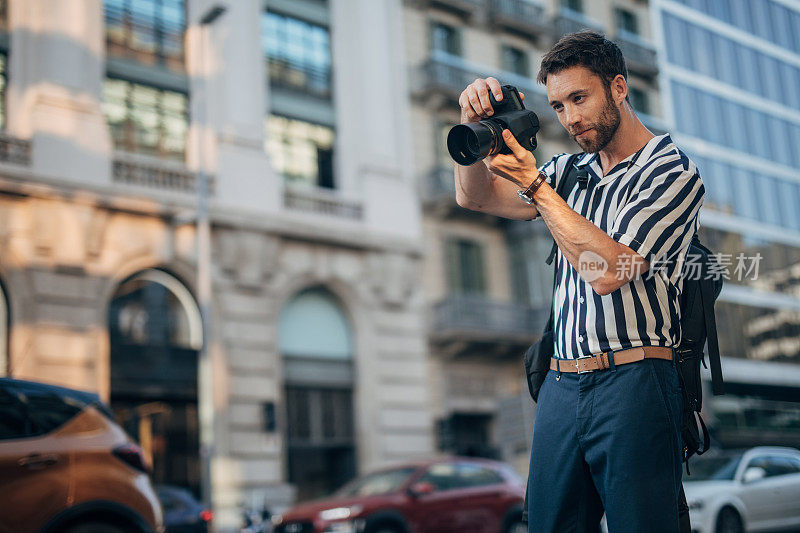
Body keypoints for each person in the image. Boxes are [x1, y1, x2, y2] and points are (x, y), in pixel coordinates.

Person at [454, 31, 704, 533]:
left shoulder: (672, 172)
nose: (569, 119)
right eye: (558, 106)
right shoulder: (567, 172)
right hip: (561, 384)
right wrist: (470, 125)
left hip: (636, 380)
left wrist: (534, 185)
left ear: (618, 87)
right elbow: (475, 199)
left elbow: (610, 271)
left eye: (579, 98)